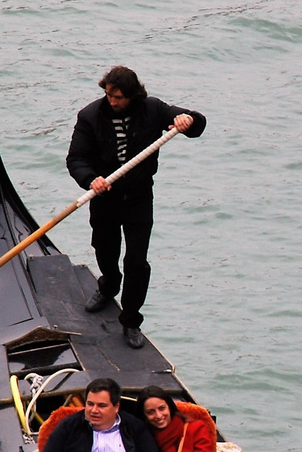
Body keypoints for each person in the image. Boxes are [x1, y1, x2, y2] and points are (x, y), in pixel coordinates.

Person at [67, 66, 206, 349]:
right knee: (105, 250)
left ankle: (130, 320)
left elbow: (197, 124)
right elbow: (76, 159)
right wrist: (90, 179)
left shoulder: (152, 109)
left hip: (140, 198)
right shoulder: (90, 116)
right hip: (104, 197)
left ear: (132, 96)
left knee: (137, 263)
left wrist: (187, 119)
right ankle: (108, 285)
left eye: (118, 97)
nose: (112, 101)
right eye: (108, 95)